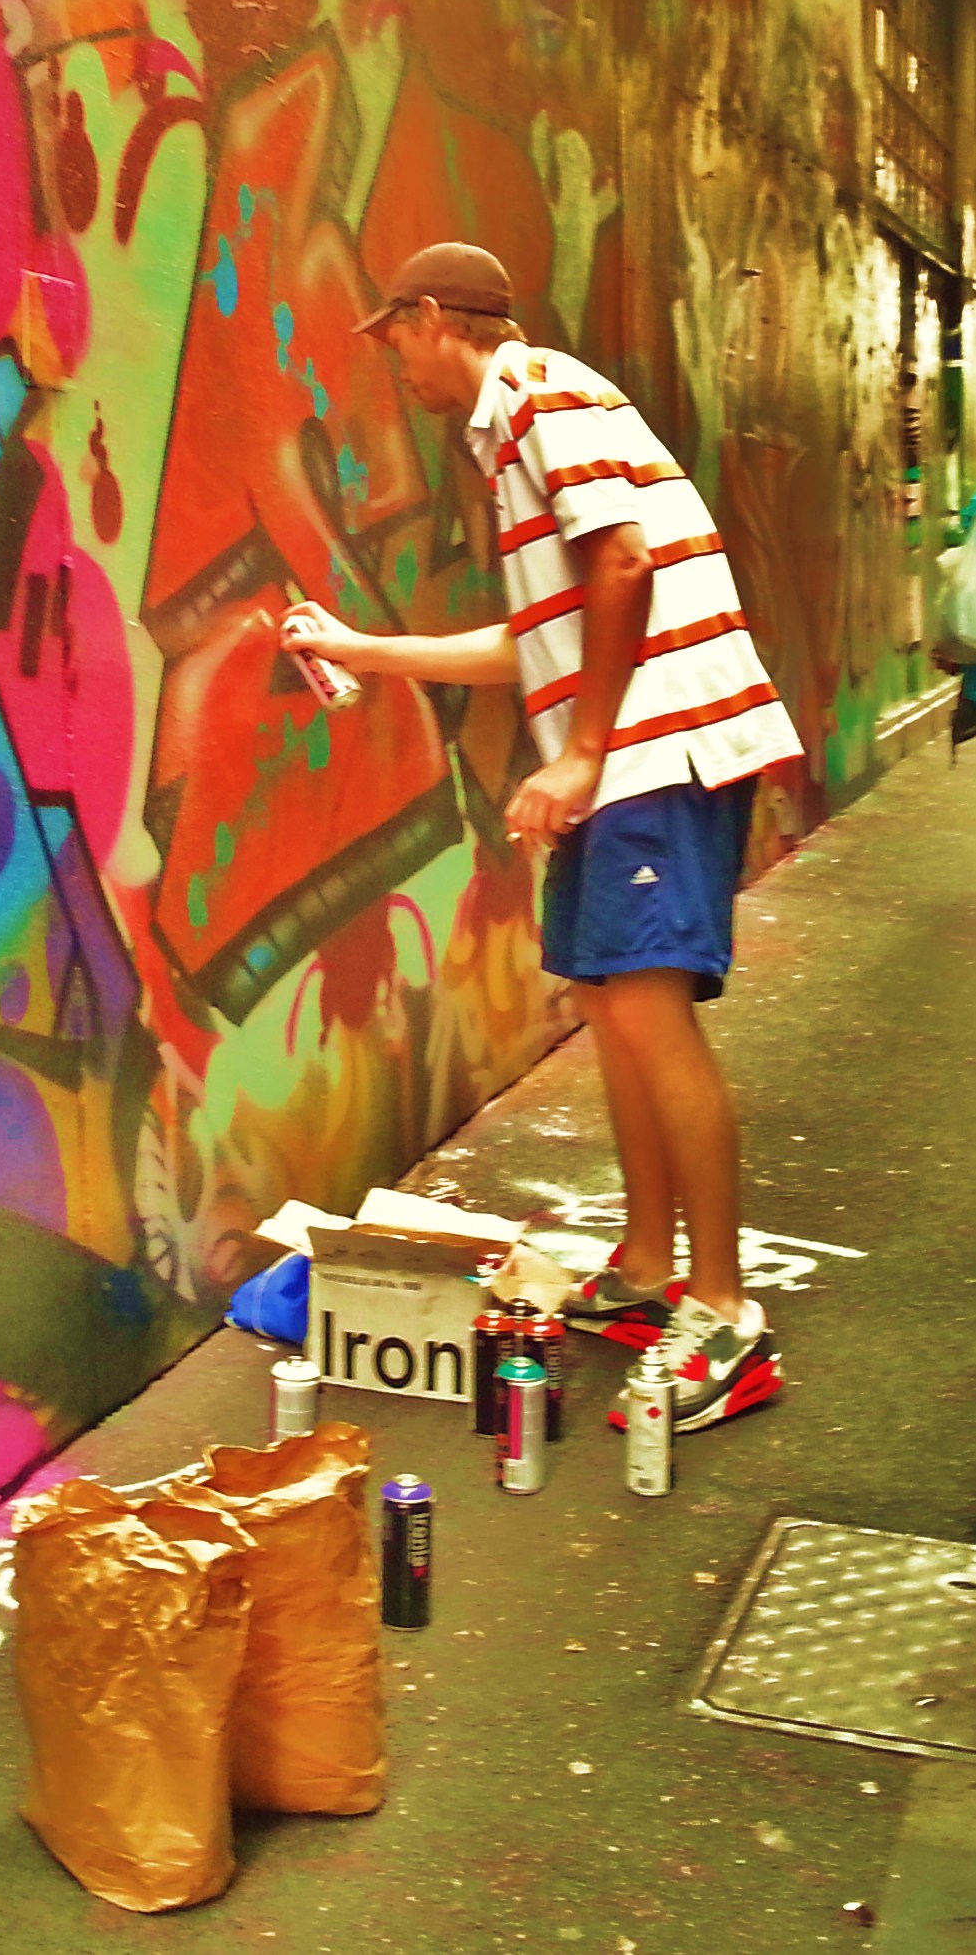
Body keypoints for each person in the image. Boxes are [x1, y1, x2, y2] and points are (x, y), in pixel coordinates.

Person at [281, 242, 804, 1433]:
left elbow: (624, 559)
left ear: (431, 316)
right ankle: (649, 1266)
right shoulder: (521, 424)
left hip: (657, 751)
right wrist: (362, 649)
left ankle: (726, 1313)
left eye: (395, 340)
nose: (397, 368)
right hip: (629, 756)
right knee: (613, 1003)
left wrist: (580, 754)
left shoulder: (538, 394)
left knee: (648, 1009)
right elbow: (534, 645)